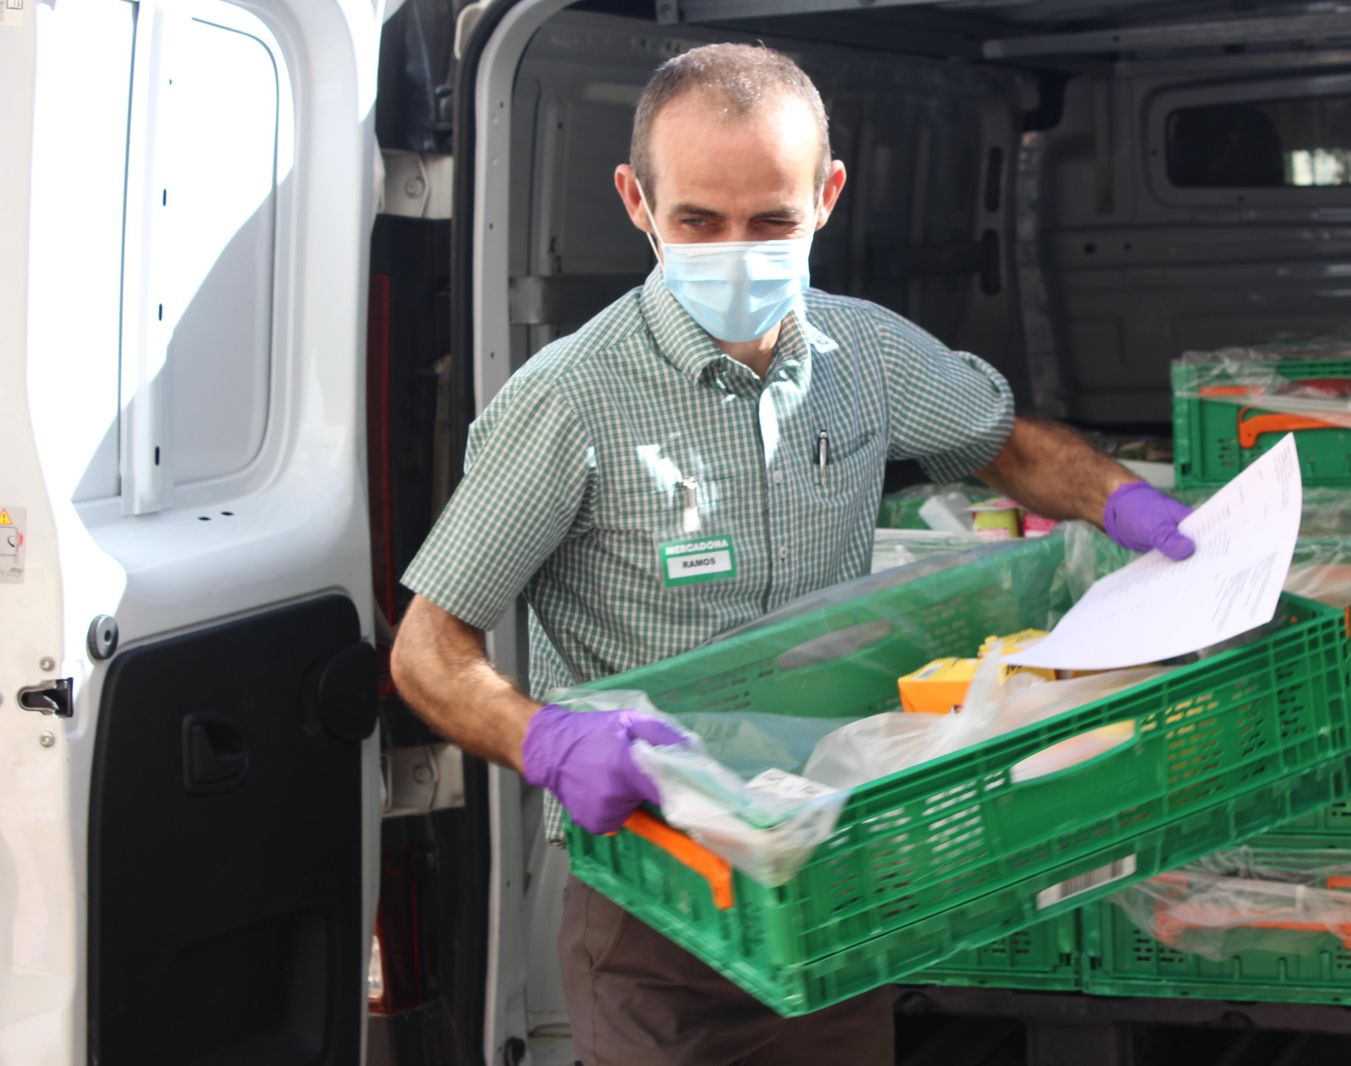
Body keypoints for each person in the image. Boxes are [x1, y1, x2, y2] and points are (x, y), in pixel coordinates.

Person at [391, 42, 1196, 1066]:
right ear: (637, 201)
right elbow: (428, 649)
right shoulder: (569, 400)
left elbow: (1002, 441)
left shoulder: (862, 353)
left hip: (829, 856)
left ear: (828, 197)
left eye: (770, 220)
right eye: (698, 221)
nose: (736, 250)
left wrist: (1125, 501)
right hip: (659, 887)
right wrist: (545, 740)